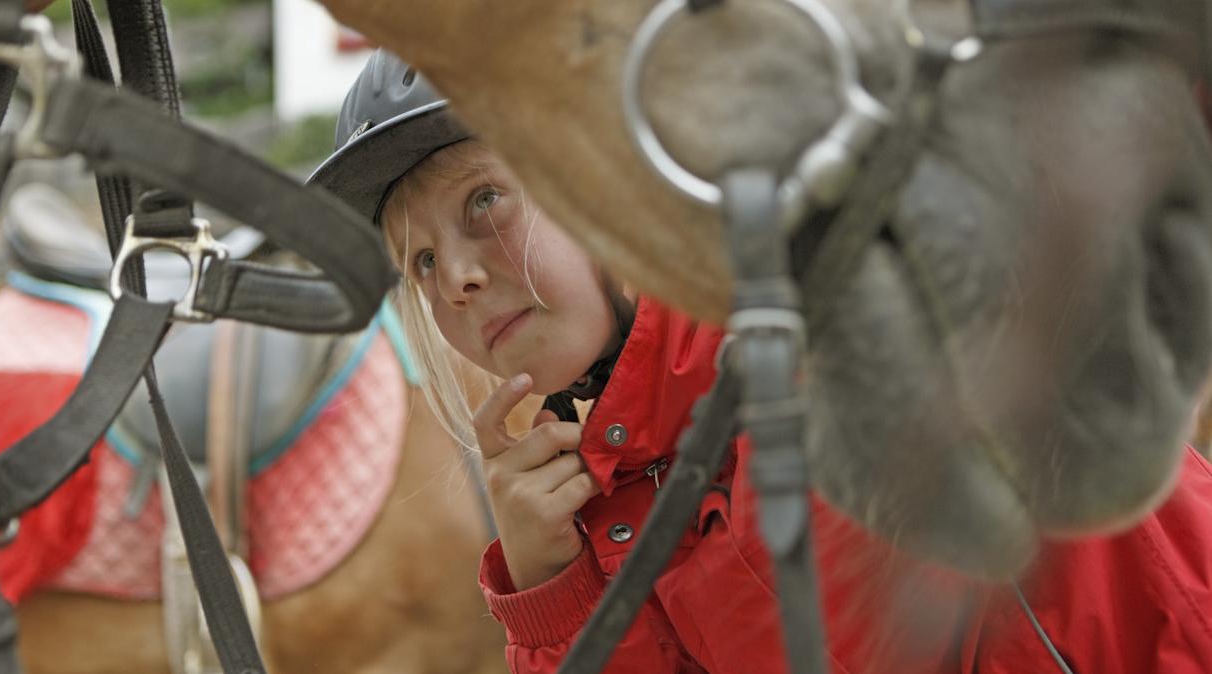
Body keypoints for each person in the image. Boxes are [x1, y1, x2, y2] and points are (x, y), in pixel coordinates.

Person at [309, 49, 1212, 674]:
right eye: (419, 261)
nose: (456, 278)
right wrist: (554, 591)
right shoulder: (616, 492)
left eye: (483, 202)